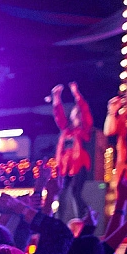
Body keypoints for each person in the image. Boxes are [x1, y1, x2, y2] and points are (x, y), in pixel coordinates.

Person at [51, 82, 94, 222]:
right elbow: (58, 115)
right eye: (75, 112)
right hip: (65, 166)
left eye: (78, 113)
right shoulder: (66, 130)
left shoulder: (84, 130)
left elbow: (85, 110)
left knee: (76, 192)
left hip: (79, 165)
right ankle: (58, 220)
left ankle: (85, 218)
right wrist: (56, 97)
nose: (76, 114)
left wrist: (76, 93)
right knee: (61, 193)